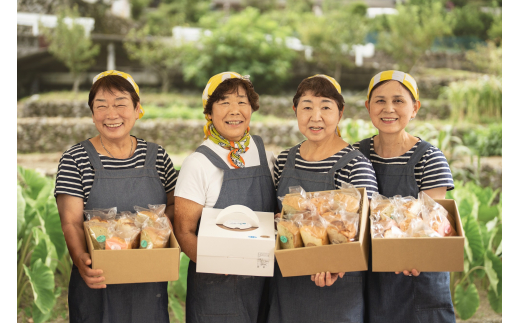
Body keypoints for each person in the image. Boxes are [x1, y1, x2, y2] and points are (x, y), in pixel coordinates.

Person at [54, 70, 178, 323]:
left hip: (148, 281)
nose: (111, 115)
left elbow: (174, 206)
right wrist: (81, 261)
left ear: (136, 109)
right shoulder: (75, 159)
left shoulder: (158, 157)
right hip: (98, 281)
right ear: (92, 114)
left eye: (120, 104)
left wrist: (154, 232)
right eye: (101, 106)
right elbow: (71, 221)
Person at [267, 75, 379, 323]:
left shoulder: (355, 165)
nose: (315, 117)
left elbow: (365, 231)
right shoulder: (285, 160)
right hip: (288, 283)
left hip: (335, 284)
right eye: (307, 107)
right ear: (295, 110)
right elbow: (278, 215)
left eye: (326, 107)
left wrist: (337, 263)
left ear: (340, 113)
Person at [353, 70, 456, 323]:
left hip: (418, 276)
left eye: (398, 100)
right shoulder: (356, 155)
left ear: (415, 108)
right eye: (380, 100)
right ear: (368, 107)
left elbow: (433, 224)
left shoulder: (429, 159)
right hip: (372, 276)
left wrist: (412, 253)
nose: (389, 109)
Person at [173, 72, 277, 323]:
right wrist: (216, 263)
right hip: (218, 289)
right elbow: (183, 231)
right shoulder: (197, 164)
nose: (235, 110)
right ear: (208, 112)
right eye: (224, 102)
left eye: (242, 101)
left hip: (266, 284)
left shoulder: (265, 154)